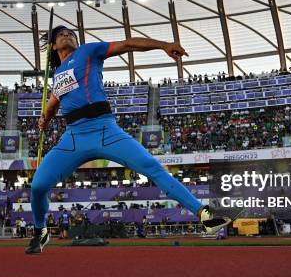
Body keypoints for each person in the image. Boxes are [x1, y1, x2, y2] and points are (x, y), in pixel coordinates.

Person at [26, 26, 230, 254]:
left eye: (71, 34)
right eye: (61, 35)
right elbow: (53, 104)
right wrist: (45, 118)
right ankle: (40, 231)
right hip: (74, 137)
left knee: (152, 166)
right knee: (38, 186)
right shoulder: (58, 75)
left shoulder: (88, 52)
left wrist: (163, 45)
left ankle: (204, 214)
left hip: (105, 130)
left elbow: (127, 44)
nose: (68, 36)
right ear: (54, 46)